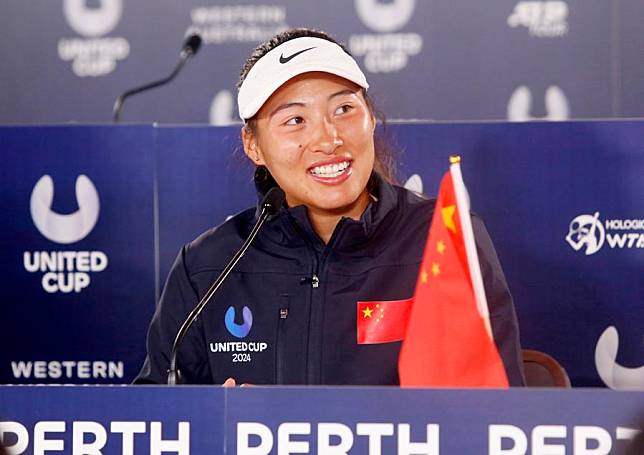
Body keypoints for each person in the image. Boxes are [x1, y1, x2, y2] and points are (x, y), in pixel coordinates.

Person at [135, 28, 525, 386]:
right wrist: (224, 421)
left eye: (343, 110)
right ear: (253, 145)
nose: (328, 138)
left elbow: (495, 420)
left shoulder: (444, 240)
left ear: (370, 117)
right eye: (295, 120)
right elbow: (156, 424)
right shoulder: (207, 267)